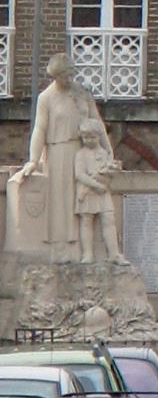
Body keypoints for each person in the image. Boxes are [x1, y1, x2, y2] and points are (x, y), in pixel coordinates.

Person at [21, 52, 113, 263]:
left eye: (69, 75)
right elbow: (40, 129)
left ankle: (85, 251)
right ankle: (61, 250)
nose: (67, 79)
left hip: (83, 151)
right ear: (55, 76)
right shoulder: (46, 98)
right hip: (58, 152)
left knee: (82, 200)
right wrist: (33, 160)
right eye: (63, 76)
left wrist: (108, 152)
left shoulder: (83, 94)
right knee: (61, 201)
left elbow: (97, 123)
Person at [75, 118, 129, 265]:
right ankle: (88, 254)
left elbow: (107, 172)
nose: (88, 140)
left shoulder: (105, 153)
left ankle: (114, 253)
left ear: (99, 136)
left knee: (108, 220)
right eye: (85, 137)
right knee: (86, 221)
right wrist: (95, 184)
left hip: (102, 192)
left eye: (92, 137)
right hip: (87, 191)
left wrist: (111, 171)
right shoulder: (81, 154)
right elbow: (79, 174)